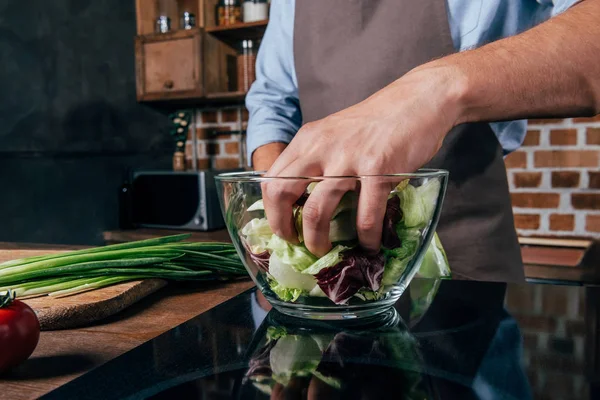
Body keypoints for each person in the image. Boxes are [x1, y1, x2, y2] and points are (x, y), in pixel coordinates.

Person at [245, 0, 599, 281]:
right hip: (323, 264)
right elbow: (272, 100)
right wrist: (283, 220)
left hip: (463, 258)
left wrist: (436, 89)